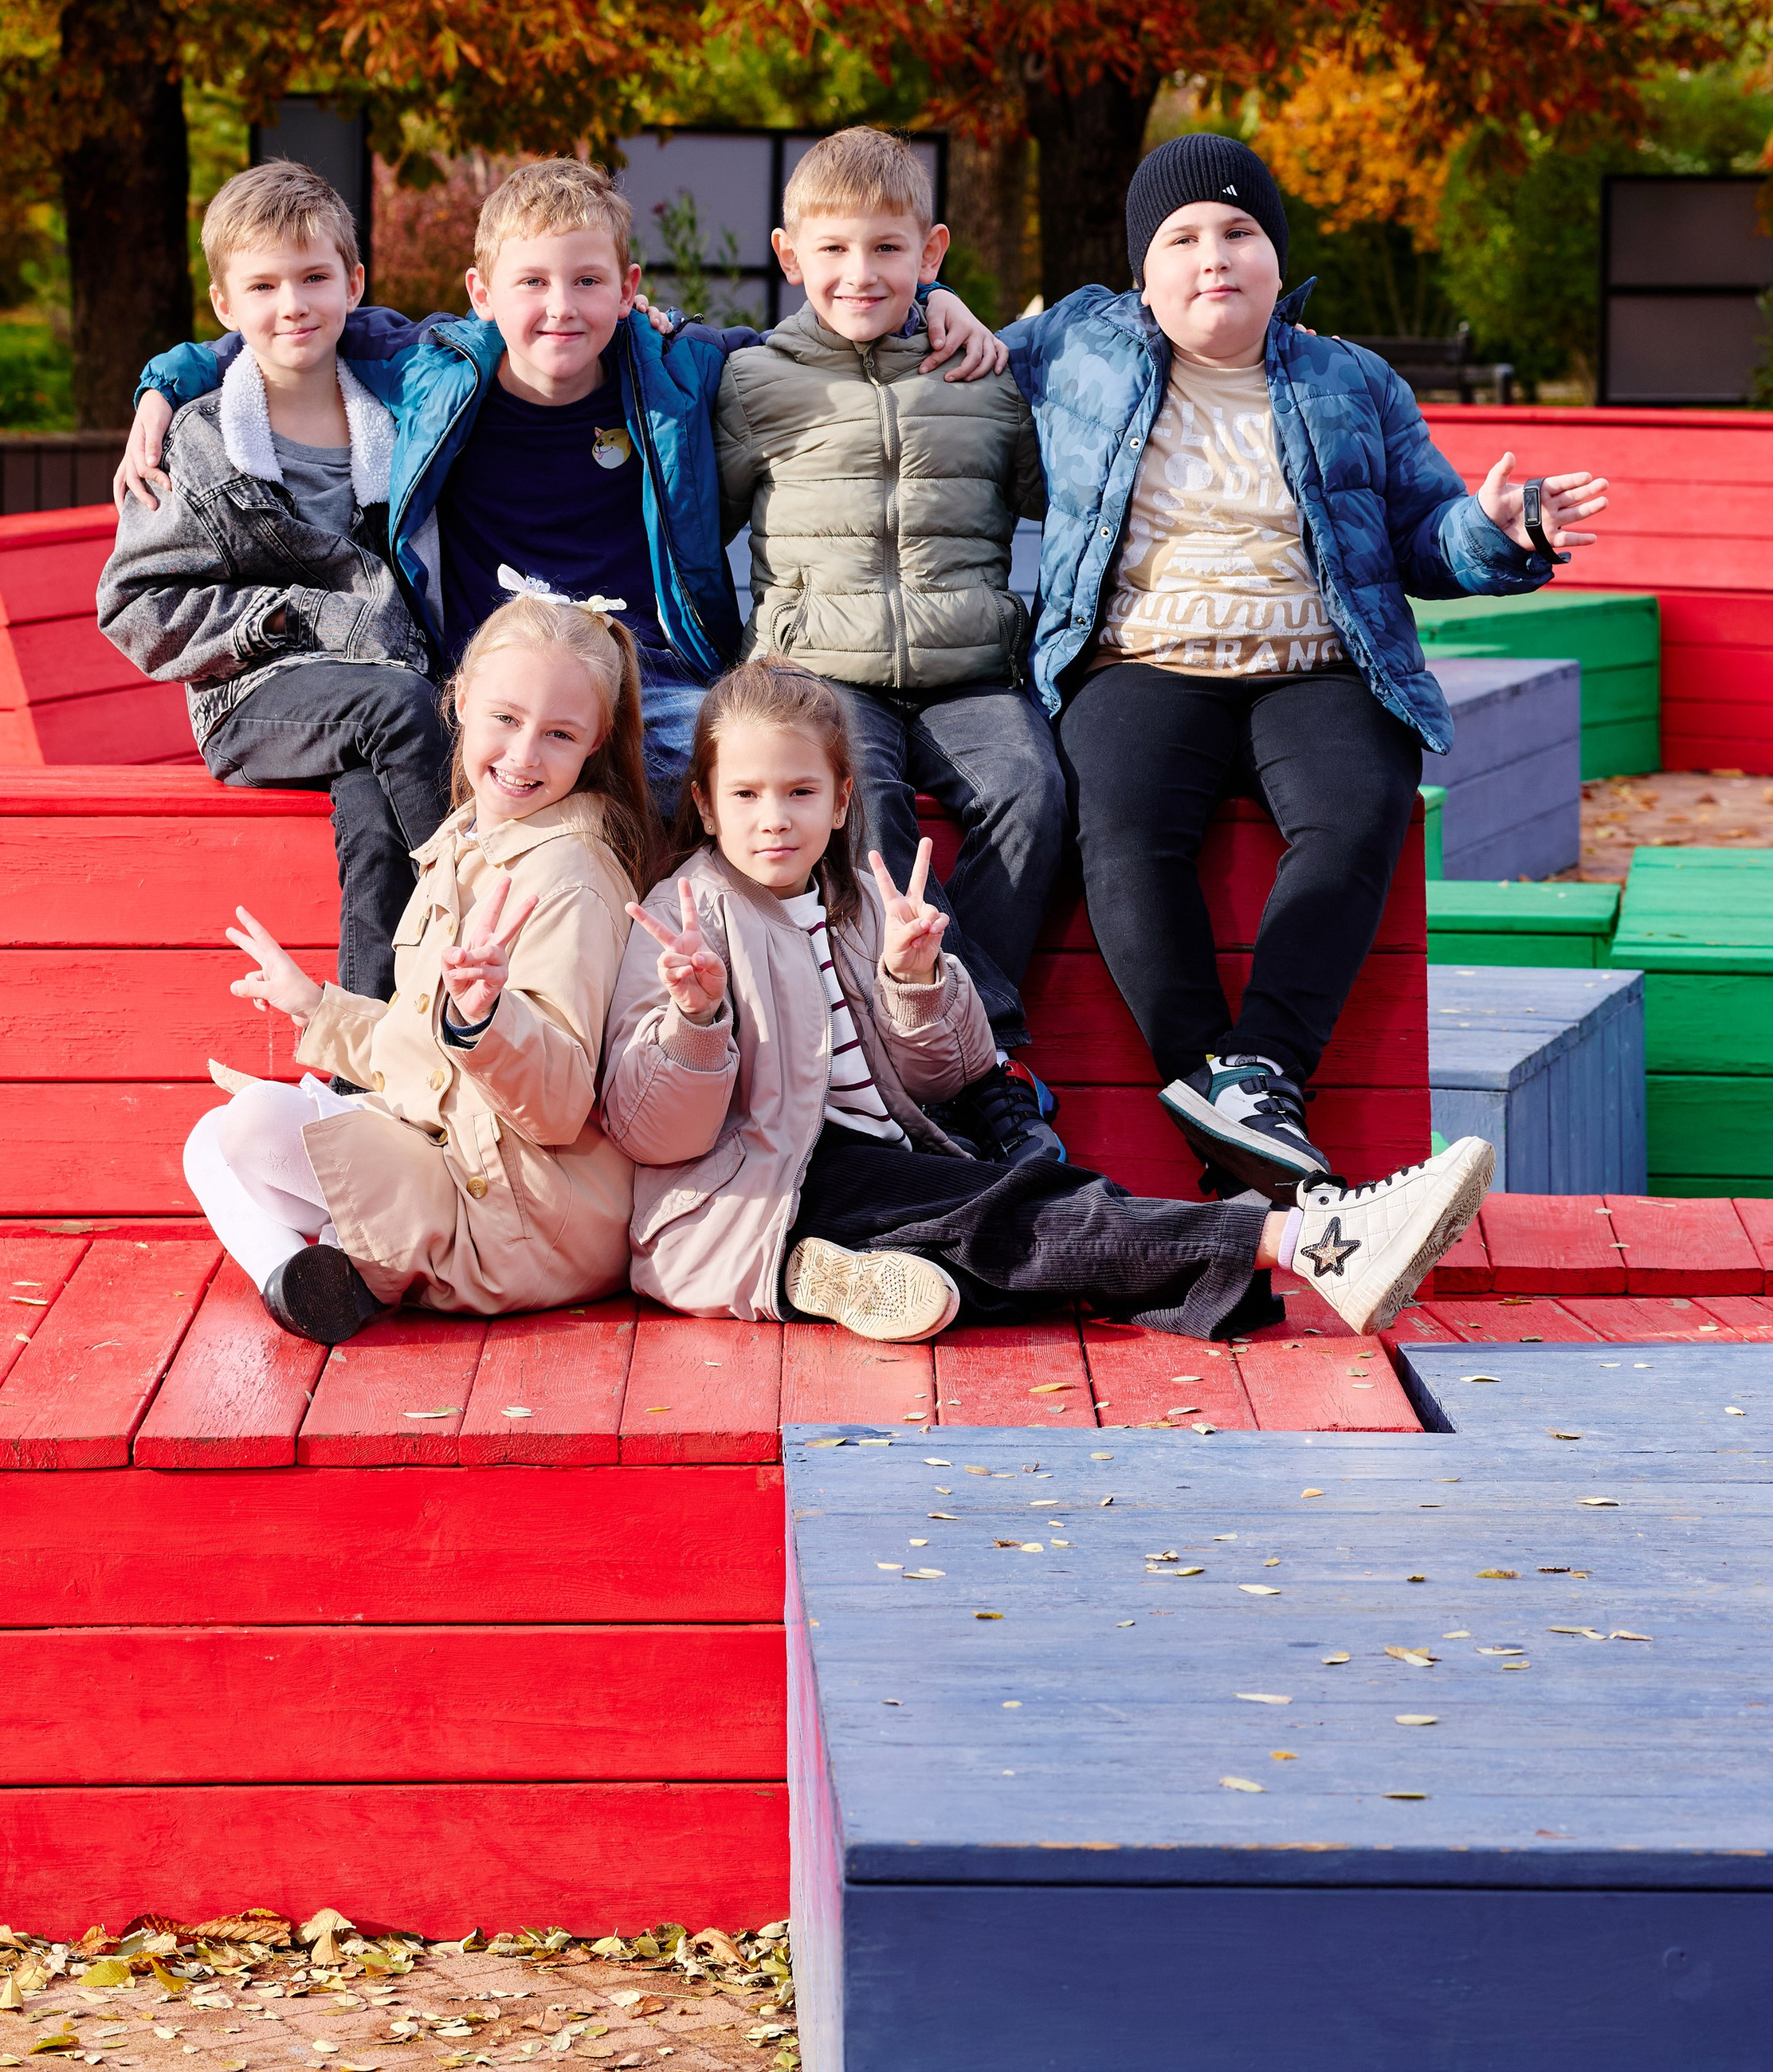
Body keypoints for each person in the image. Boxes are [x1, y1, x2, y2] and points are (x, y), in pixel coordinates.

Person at [1004, 130, 1610, 1205]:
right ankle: (1212, 1082)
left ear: (1278, 259)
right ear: (1142, 273)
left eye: (1239, 231)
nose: (1213, 256)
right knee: (1123, 827)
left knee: (1359, 812)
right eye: (1182, 238)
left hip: (1318, 663)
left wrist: (1493, 531)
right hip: (1144, 659)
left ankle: (1262, 1072)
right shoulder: (1075, 347)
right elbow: (922, 323)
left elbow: (1425, 534)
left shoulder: (1350, 378)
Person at [602, 660, 1493, 1343]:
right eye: (746, 795)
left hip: (882, 1168)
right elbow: (653, 1134)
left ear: (841, 802)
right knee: (1023, 1211)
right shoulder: (688, 917)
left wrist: (917, 980)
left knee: (1018, 1230)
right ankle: (1313, 1241)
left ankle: (837, 1276)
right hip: (765, 1195)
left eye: (800, 793)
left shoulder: (865, 900)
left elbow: (946, 1077)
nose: (774, 818)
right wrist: (695, 1020)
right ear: (705, 806)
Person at [113, 155, 1002, 826]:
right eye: (531, 283)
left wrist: (932, 297)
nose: (560, 308)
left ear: (628, 289)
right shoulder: (432, 374)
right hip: (496, 689)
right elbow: (296, 323)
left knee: (744, 782)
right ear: (481, 293)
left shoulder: (678, 370)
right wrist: (165, 381)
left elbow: (826, 326)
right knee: (531, 808)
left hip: (652, 679)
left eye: (587, 282)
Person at [714, 126, 1066, 1163]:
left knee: (1034, 791)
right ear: (789, 257)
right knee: (858, 801)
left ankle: (963, 1041)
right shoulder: (756, 380)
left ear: (931, 251)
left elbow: (1068, 487)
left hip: (968, 665)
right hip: (821, 670)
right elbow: (696, 518)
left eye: (886, 249)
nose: (858, 273)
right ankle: (982, 1064)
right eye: (832, 249)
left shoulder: (982, 374)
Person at [182, 589, 653, 1346]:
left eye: (559, 734)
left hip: (518, 1213)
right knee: (213, 1138)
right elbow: (425, 1060)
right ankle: (308, 1281)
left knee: (253, 1125)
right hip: (449, 1158)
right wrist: (317, 1008)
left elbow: (560, 1106)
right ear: (460, 700)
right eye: (506, 718)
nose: (524, 755)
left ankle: (345, 1264)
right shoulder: (463, 840)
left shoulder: (570, 875)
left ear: (595, 742)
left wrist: (485, 1018)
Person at [97, 161, 453, 999]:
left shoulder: (401, 419)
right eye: (262, 286)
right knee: (403, 709)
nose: (292, 304)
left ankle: (364, 1047)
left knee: (373, 811)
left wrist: (649, 329)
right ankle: (476, 920)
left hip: (378, 702)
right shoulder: (197, 442)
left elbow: (496, 334)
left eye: (313, 278)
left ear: (353, 283)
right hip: (253, 701)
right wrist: (288, 618)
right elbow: (136, 607)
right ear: (225, 305)